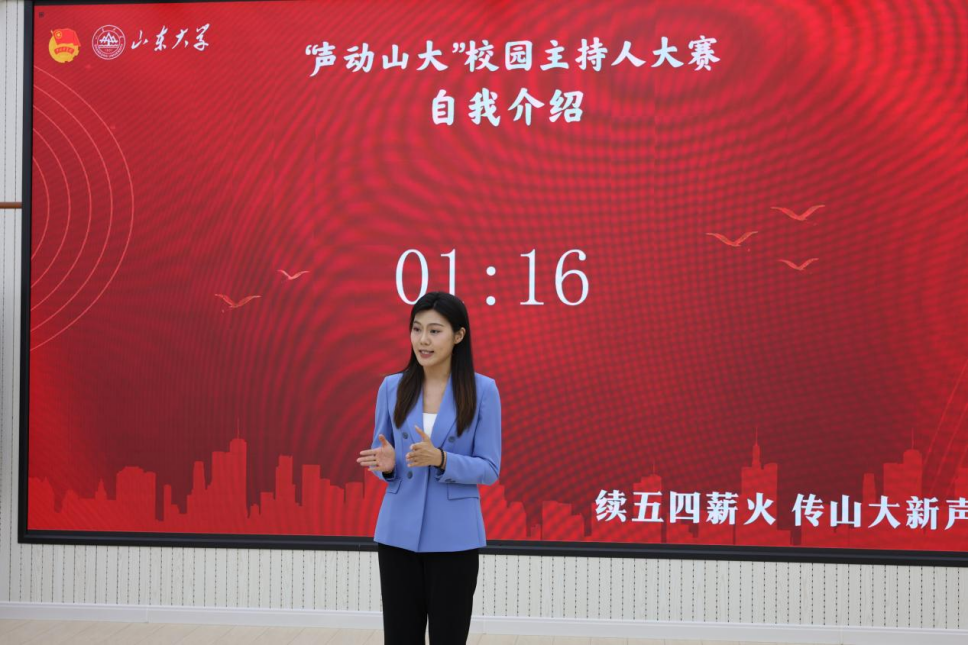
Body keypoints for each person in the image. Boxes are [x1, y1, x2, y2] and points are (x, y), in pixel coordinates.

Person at [357, 291, 502, 645]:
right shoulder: (392, 387)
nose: (423, 340)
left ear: (459, 335)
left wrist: (442, 459)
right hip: (397, 535)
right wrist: (386, 466)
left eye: (435, 331)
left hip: (455, 538)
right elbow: (384, 454)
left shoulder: (483, 390)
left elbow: (489, 468)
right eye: (417, 329)